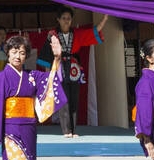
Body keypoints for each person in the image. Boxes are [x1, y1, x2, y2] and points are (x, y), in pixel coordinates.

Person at [36, 9, 108, 137]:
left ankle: (74, 130)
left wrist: (104, 20)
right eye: (63, 18)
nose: (66, 20)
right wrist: (49, 75)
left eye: (69, 18)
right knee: (64, 100)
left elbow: (94, 32)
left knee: (74, 99)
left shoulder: (77, 33)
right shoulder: (52, 34)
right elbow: (47, 54)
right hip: (59, 67)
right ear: (58, 20)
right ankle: (66, 131)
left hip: (74, 68)